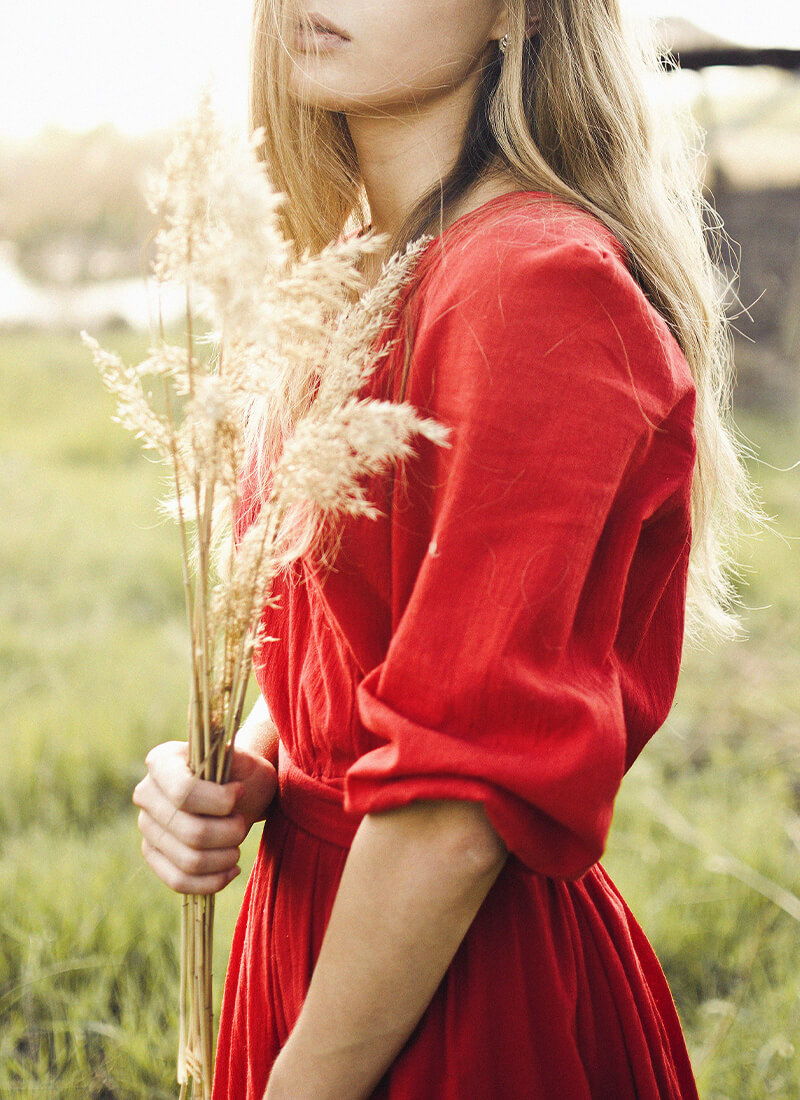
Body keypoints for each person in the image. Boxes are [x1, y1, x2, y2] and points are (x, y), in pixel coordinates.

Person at [133, 1, 757, 1097]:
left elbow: (456, 803)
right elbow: (364, 639)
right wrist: (250, 762)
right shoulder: (357, 269)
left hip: (453, 996)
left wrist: (303, 1083)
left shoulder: (527, 279)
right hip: (319, 937)